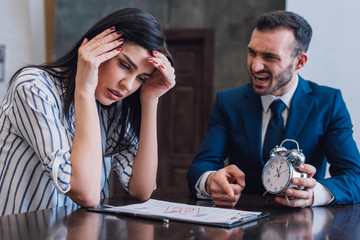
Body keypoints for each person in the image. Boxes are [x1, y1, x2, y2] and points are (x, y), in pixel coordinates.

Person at [0, 8, 175, 216]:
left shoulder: (111, 107)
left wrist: (150, 99)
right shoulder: (33, 87)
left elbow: (142, 189)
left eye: (141, 78)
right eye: (124, 65)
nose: (128, 85)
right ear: (95, 49)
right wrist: (84, 87)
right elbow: (86, 194)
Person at [187, 10, 360, 208]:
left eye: (270, 57)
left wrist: (315, 194)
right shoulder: (228, 101)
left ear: (300, 62)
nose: (255, 66)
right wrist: (210, 181)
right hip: (240, 225)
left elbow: (355, 177)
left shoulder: (328, 102)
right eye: (252, 52)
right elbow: (200, 166)